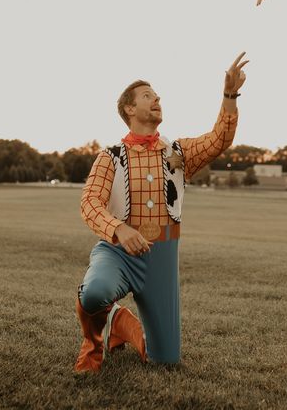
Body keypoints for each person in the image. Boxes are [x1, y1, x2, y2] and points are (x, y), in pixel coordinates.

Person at [74, 52, 248, 372]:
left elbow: (219, 139)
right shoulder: (110, 156)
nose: (157, 99)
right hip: (119, 251)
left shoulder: (178, 151)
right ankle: (94, 339)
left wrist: (229, 96)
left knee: (165, 361)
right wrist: (119, 229)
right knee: (95, 292)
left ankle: (118, 322)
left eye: (157, 96)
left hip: (163, 255)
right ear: (130, 108)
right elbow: (89, 203)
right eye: (147, 96)